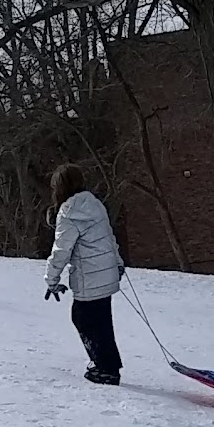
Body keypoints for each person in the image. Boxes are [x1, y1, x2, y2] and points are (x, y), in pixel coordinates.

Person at [43, 164, 125, 384]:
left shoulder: (68, 212)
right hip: (106, 274)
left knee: (83, 319)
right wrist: (118, 263)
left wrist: (51, 280)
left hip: (89, 278)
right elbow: (109, 236)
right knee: (102, 322)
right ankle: (109, 365)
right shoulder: (95, 204)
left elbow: (61, 250)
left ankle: (105, 368)